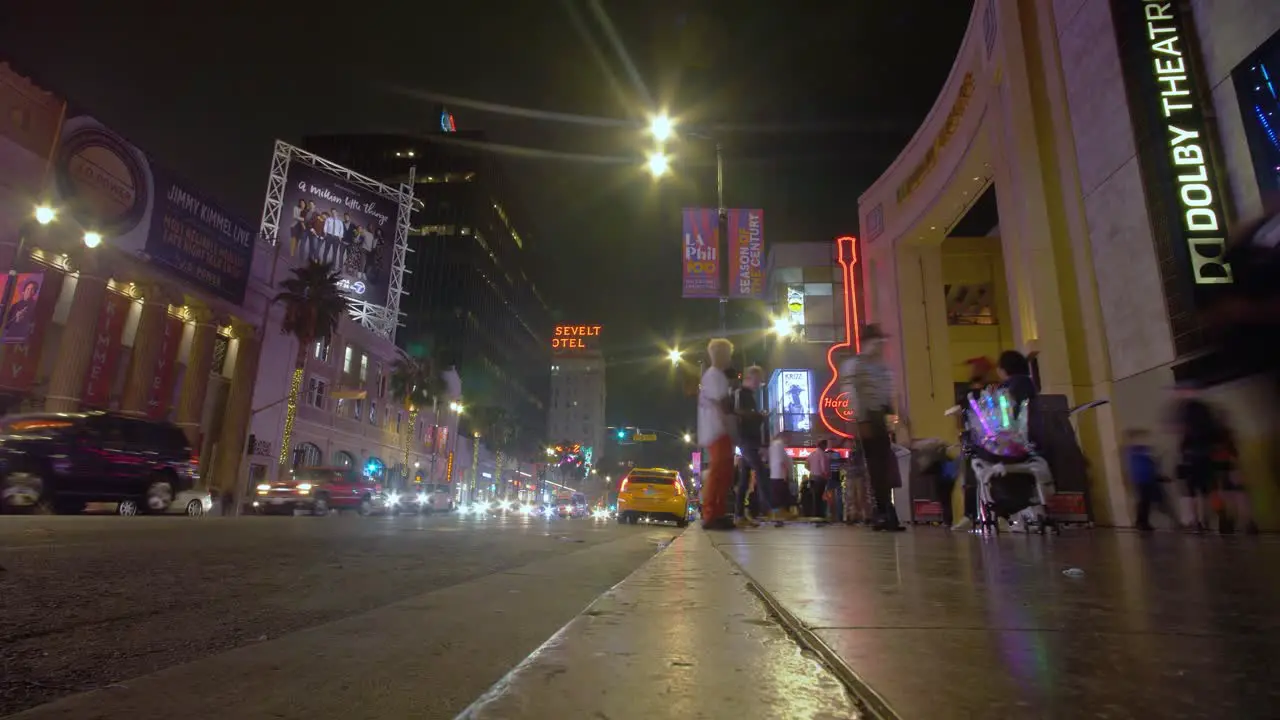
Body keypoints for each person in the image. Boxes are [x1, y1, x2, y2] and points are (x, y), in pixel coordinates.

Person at [844, 324, 904, 531]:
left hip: (879, 419)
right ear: (868, 342)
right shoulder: (858, 365)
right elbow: (853, 394)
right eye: (877, 341)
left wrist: (894, 416)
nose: (880, 345)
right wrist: (861, 420)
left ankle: (885, 510)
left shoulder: (881, 367)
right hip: (868, 417)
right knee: (874, 468)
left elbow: (889, 394)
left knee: (883, 466)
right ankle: (881, 511)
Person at [733, 366, 779, 526]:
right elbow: (738, 413)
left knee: (745, 479)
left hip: (749, 440)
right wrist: (758, 415)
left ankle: (739, 515)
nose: (758, 384)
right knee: (760, 470)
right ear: (749, 378)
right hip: (745, 440)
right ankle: (773, 510)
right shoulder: (741, 394)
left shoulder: (750, 396)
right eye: (757, 380)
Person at [698, 338, 736, 530]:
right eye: (728, 354)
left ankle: (717, 512)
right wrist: (729, 426)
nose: (730, 358)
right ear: (721, 355)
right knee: (719, 472)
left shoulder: (713, 375)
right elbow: (720, 404)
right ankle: (711, 514)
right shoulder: (715, 376)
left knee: (723, 472)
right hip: (717, 430)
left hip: (715, 430)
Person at [1123, 429, 1172, 532]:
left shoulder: (1142, 450)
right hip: (1143, 479)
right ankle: (1142, 522)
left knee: (1147, 501)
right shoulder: (1135, 450)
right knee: (1145, 502)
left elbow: (1153, 461)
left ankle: (1143, 522)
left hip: (1148, 478)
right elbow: (1152, 458)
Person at [805, 439, 831, 520]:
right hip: (820, 479)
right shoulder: (822, 454)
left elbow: (806, 465)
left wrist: (812, 470)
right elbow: (824, 468)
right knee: (820, 497)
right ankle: (820, 514)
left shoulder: (812, 454)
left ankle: (814, 514)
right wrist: (826, 476)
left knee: (814, 497)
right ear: (823, 446)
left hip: (812, 478)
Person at [768, 436, 793, 517]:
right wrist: (785, 474)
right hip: (780, 475)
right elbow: (781, 461)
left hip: (774, 475)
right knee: (783, 495)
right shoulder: (779, 444)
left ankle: (776, 513)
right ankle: (782, 512)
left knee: (776, 495)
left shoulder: (772, 446)